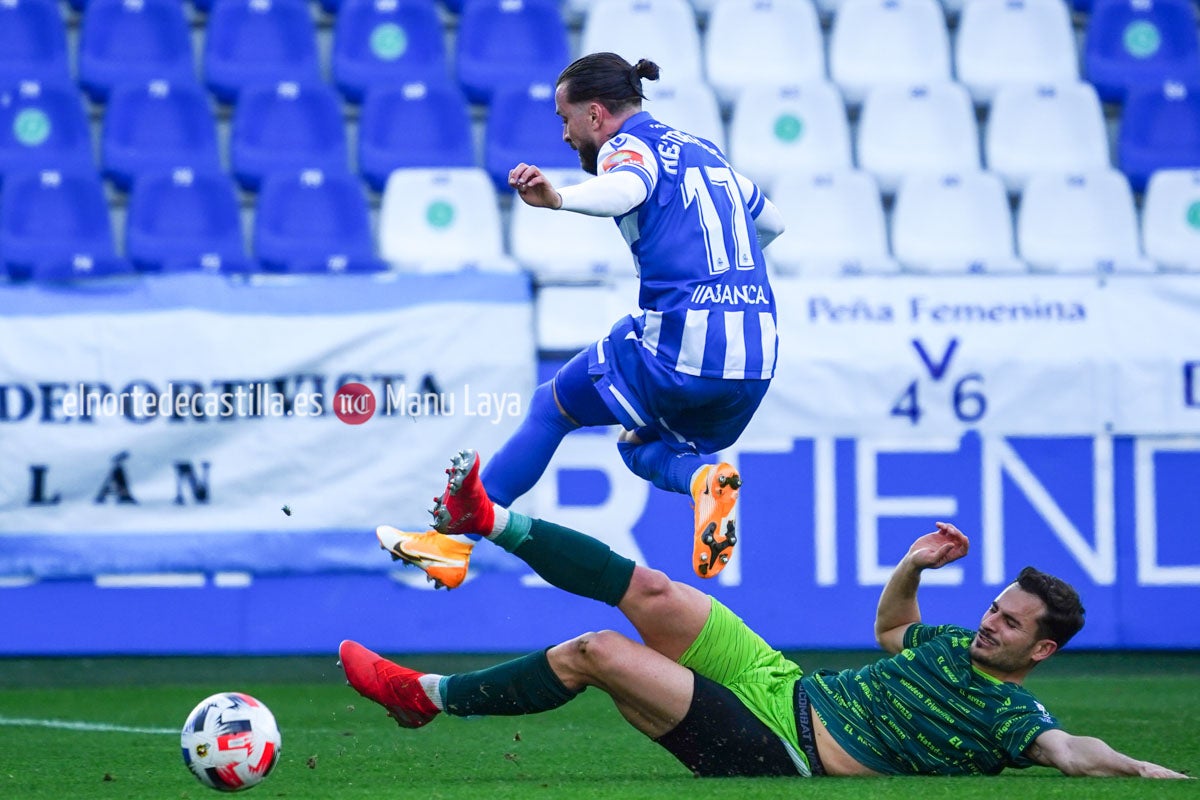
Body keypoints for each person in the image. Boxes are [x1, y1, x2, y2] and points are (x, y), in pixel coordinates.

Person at [340, 450, 1189, 779]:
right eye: (996, 606)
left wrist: (1154, 777)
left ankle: (425, 697)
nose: (990, 622)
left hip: (786, 749)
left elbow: (1070, 752)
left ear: (1040, 652)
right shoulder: (952, 645)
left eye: (1009, 624)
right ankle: (483, 517)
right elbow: (891, 632)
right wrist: (910, 566)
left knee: (597, 650)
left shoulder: (1011, 711)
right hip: (778, 682)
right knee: (653, 591)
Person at [379, 51, 786, 587]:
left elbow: (629, 187)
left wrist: (558, 199)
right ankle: (703, 480)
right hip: (755, 358)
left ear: (595, 114)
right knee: (638, 445)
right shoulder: (704, 151)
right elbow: (773, 223)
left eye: (565, 119)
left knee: (553, 405)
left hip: (686, 346)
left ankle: (450, 547)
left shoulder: (628, 145)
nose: (566, 136)